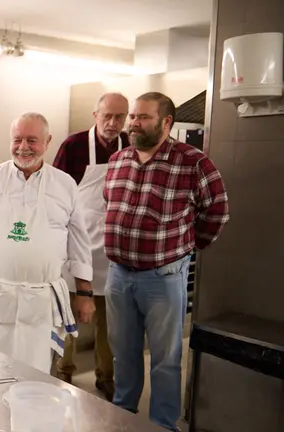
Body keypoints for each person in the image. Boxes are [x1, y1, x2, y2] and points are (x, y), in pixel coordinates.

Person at [104, 92, 230, 431]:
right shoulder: (119, 160)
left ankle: (162, 425)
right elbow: (108, 204)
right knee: (124, 356)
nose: (132, 123)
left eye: (142, 117)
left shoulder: (193, 161)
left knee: (164, 360)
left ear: (166, 122)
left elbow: (217, 209)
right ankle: (122, 419)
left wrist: (189, 246)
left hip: (162, 277)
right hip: (118, 275)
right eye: (132, 116)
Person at [0, 112, 95, 374]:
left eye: (32, 140)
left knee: (34, 375)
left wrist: (85, 293)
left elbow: (79, 242)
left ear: (48, 141)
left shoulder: (65, 185)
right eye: (17, 139)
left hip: (40, 303)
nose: (23, 147)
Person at [51, 92, 130, 400]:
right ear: (95, 115)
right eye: (107, 116)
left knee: (109, 324)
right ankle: (64, 371)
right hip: (75, 246)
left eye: (119, 117)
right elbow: (55, 192)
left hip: (112, 249)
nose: (113, 123)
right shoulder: (73, 145)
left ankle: (105, 376)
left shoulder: (129, 146)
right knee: (67, 318)